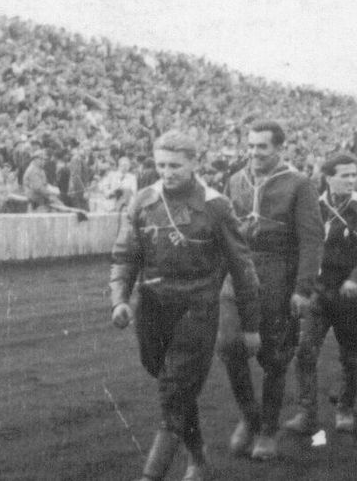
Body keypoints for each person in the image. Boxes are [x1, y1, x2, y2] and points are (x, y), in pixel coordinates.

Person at [110, 129, 262, 481]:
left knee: (175, 390)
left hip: (197, 308)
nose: (168, 172)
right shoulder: (142, 201)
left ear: (195, 162)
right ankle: (198, 457)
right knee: (171, 384)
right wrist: (119, 299)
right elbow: (125, 256)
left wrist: (251, 326)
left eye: (176, 165)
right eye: (161, 164)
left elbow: (243, 270)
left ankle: (152, 475)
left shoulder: (215, 205)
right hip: (152, 310)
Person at [217, 120, 322, 460]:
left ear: (279, 148)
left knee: (274, 357)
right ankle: (250, 416)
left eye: (262, 147)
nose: (254, 153)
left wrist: (303, 289)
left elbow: (311, 239)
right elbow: (227, 233)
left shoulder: (298, 184)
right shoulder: (235, 180)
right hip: (240, 274)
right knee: (230, 345)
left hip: (279, 275)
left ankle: (267, 430)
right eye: (250, 146)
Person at [285, 152, 357, 435]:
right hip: (318, 290)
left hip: (351, 294)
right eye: (345, 175)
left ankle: (345, 407)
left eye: (355, 175)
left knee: (352, 355)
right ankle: (307, 413)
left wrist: (356, 278)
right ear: (329, 178)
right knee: (304, 351)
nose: (352, 180)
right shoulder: (313, 208)